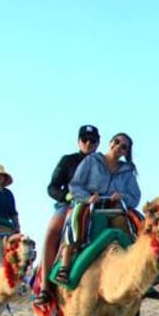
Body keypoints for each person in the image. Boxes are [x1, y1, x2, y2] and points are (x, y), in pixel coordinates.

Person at [54, 132, 140, 285]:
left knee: (138, 223)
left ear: (126, 152)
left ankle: (141, 266)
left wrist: (122, 197)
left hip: (115, 208)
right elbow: (75, 185)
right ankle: (65, 266)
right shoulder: (92, 161)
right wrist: (88, 197)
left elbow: (135, 196)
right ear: (110, 142)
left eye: (124, 146)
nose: (119, 146)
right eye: (117, 142)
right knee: (77, 219)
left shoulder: (127, 171)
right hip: (90, 204)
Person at [34, 124, 100, 305]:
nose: (89, 143)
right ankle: (46, 287)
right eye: (85, 140)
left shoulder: (104, 164)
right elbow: (52, 186)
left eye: (93, 140)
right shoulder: (68, 161)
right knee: (52, 234)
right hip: (70, 205)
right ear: (79, 142)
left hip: (100, 206)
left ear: (98, 143)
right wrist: (67, 195)